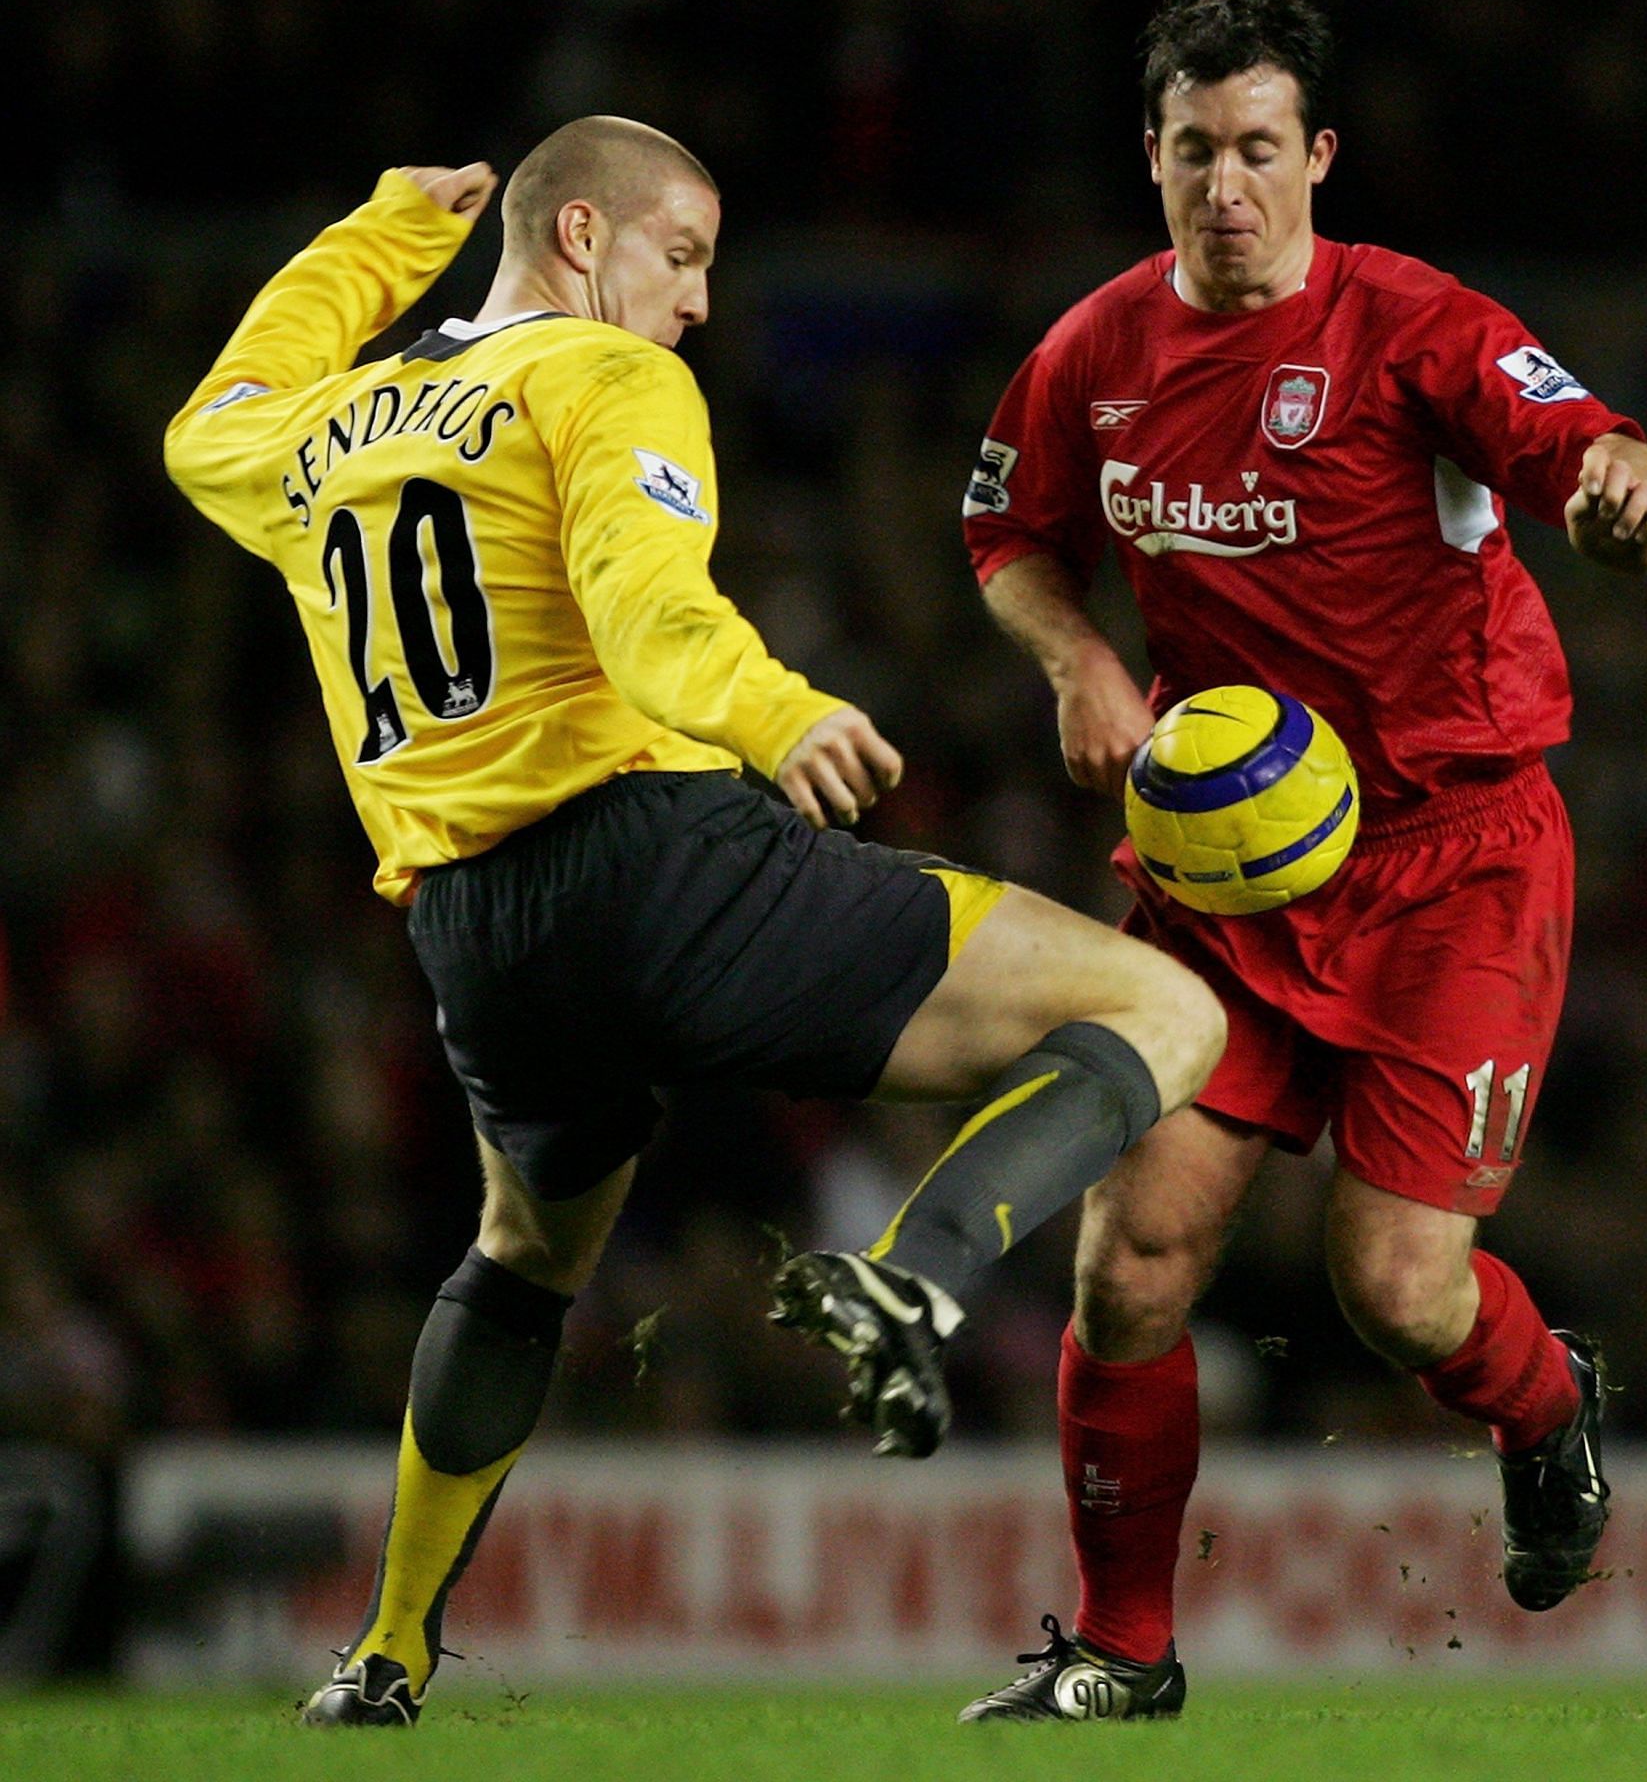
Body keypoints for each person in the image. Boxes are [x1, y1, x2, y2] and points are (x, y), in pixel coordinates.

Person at [163, 117, 1225, 1728]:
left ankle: (382, 1655)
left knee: (521, 1259)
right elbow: (653, 615)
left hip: (476, 939)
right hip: (657, 866)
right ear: (581, 238)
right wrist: (777, 710)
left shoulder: (331, 427)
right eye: (683, 255)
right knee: (1168, 1014)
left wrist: (380, 238)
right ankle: (919, 1282)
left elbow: (203, 431)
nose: (702, 303)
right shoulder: (603, 382)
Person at [958, 0, 1647, 1722]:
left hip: (1455, 853)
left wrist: (1628, 495)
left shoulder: (1414, 325)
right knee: (1131, 1256)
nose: (1228, 184)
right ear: (1153, 156)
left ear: (1318, 158)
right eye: (1195, 150)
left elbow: (1594, 443)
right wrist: (1079, 659)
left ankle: (1544, 1406)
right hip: (1233, 873)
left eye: (1260, 151)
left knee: (1393, 1287)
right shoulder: (1091, 357)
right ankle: (1125, 1656)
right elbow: (1005, 528)